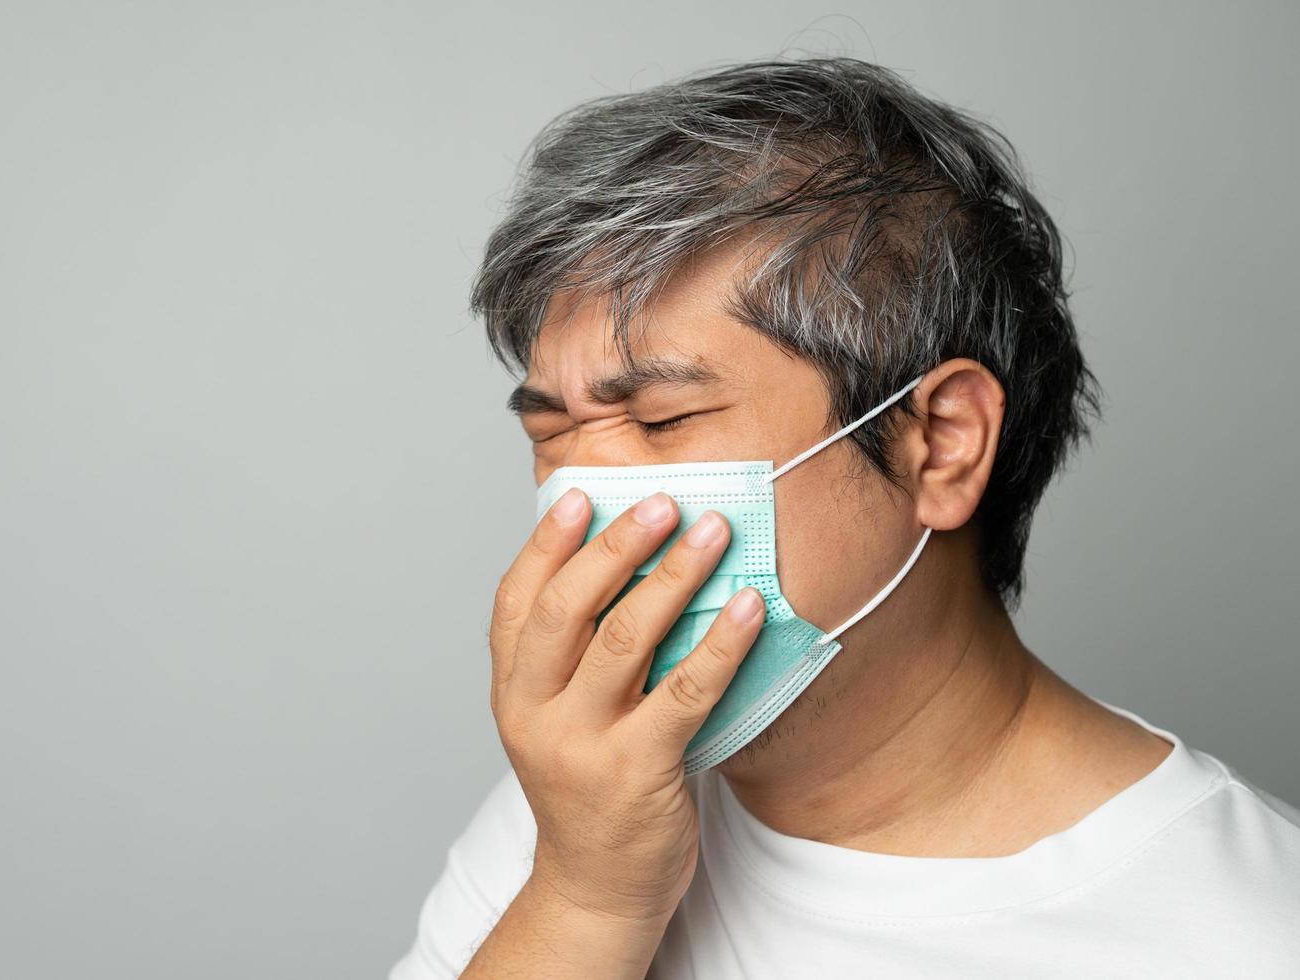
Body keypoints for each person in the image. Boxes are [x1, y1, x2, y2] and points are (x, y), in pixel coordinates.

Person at [390, 57, 1300, 978]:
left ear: (940, 443)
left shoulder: (1239, 936)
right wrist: (585, 898)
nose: (581, 501)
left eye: (662, 420)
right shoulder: (586, 809)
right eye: (551, 432)